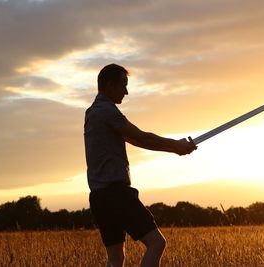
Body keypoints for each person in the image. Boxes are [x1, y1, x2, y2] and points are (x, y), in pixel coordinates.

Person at [84, 63, 197, 267]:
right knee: (157, 243)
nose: (126, 92)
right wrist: (176, 145)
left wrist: (175, 149)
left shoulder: (92, 112)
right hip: (117, 193)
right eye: (123, 85)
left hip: (100, 197)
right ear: (110, 85)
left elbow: (138, 141)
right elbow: (143, 137)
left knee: (115, 259)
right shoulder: (106, 111)